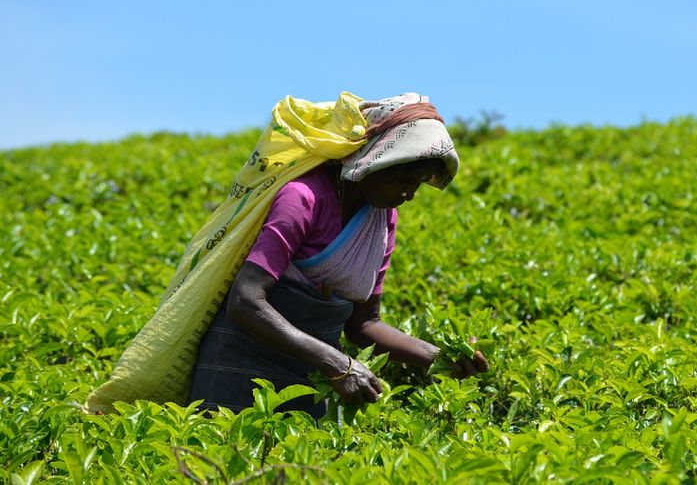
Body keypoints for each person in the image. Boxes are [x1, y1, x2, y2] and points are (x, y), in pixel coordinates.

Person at [188, 93, 489, 416]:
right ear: (374, 160)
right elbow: (245, 300)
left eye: (416, 184)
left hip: (312, 375)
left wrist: (438, 356)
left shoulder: (382, 218)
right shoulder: (303, 199)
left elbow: (364, 324)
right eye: (402, 180)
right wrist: (337, 363)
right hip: (238, 365)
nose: (408, 195)